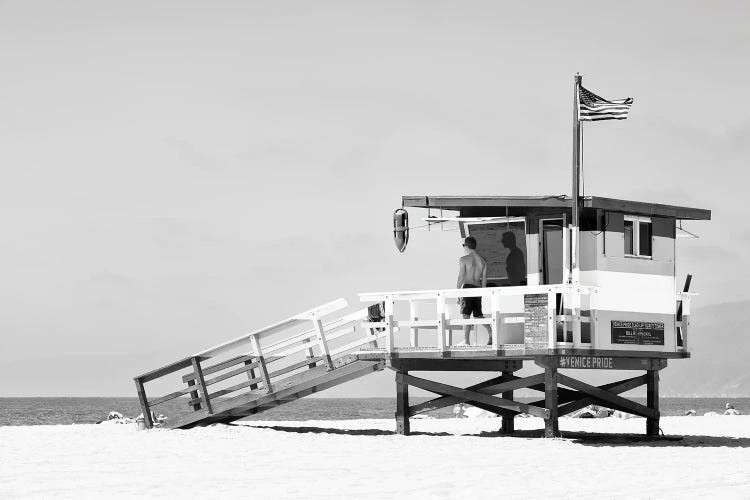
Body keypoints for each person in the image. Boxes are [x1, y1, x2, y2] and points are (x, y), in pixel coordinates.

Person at [457, 236, 490, 345]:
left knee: (466, 315)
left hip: (467, 288)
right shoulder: (483, 261)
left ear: (466, 246)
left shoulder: (463, 259)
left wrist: (458, 293)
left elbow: (461, 277)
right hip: (478, 289)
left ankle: (466, 341)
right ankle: (491, 333)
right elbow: (484, 279)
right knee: (478, 315)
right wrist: (483, 293)